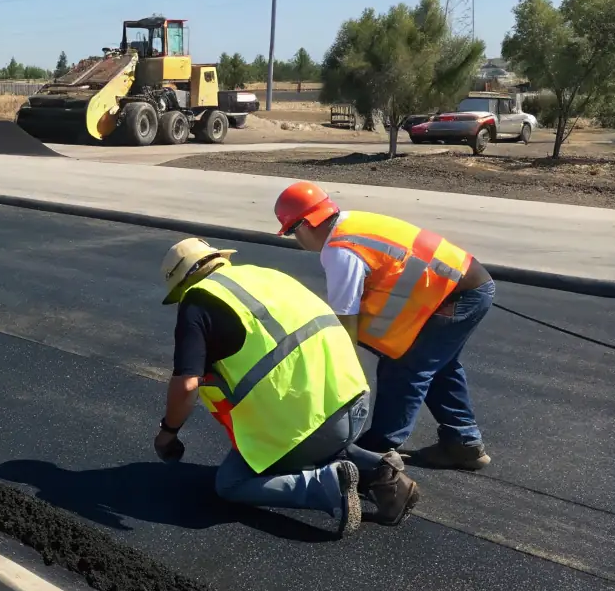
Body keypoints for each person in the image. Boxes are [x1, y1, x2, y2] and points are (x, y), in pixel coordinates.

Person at [154, 238, 418, 534]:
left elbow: (188, 385)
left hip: (308, 425)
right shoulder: (267, 276)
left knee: (230, 483)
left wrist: (168, 432)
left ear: (182, 284)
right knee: (317, 438)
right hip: (355, 401)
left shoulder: (198, 301)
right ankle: (379, 471)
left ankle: (324, 485)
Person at [274, 181, 494, 470]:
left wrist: (342, 374)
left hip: (458, 293)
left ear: (302, 226)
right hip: (463, 284)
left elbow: (345, 319)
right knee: (439, 366)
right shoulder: (350, 223)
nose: (296, 240)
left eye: (291, 232)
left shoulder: (340, 251)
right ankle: (463, 443)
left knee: (405, 366)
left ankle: (379, 451)